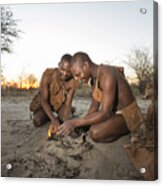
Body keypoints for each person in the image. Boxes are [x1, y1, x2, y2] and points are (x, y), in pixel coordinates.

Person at [58, 52, 143, 142]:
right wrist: (80, 126)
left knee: (95, 132)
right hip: (114, 114)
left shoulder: (107, 75)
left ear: (85, 65)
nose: (78, 79)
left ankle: (128, 130)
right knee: (88, 124)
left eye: (78, 74)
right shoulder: (95, 79)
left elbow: (105, 113)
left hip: (129, 116)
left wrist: (75, 122)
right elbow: (94, 107)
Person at [29, 54, 78, 128]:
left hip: (59, 104)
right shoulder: (48, 75)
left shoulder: (72, 82)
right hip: (45, 104)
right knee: (37, 121)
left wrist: (66, 119)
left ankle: (58, 115)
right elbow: (44, 100)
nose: (65, 74)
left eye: (69, 71)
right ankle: (48, 115)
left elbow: (68, 104)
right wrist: (53, 119)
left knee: (65, 118)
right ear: (58, 65)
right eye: (62, 69)